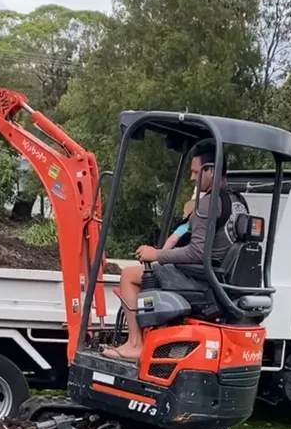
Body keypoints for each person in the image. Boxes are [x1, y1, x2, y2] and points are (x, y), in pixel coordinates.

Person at [102, 141, 247, 361]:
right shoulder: (238, 201)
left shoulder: (208, 203)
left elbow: (197, 253)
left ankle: (135, 344)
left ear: (211, 170)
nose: (191, 178)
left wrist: (156, 255)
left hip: (202, 281)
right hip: (221, 280)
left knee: (129, 276)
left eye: (195, 172)